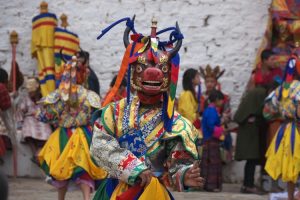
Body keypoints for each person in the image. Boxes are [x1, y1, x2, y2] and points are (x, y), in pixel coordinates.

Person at [90, 18, 204, 199]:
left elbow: (177, 162)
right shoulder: (114, 112)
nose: (152, 72)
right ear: (133, 71)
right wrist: (132, 168)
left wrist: (184, 174)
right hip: (115, 188)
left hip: (153, 192)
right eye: (142, 67)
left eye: (161, 68)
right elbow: (99, 147)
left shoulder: (176, 123)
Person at [36, 52, 107, 200]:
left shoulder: (60, 96)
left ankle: (61, 198)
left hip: (63, 136)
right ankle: (87, 198)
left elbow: (44, 116)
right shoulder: (90, 95)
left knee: (62, 168)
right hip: (85, 134)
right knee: (83, 169)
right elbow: (99, 118)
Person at [263, 56, 300, 200]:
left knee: (290, 165)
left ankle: (291, 196)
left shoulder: (281, 88)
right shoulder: (299, 88)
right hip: (297, 128)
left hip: (285, 129)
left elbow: (267, 110)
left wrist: (278, 115)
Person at [234, 86, 267, 194]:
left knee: (251, 161)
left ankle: (247, 185)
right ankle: (248, 185)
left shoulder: (249, 107)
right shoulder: (257, 99)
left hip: (250, 136)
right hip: (250, 136)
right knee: (251, 160)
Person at [16, 77, 52, 163]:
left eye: (32, 91)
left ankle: (38, 155)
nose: (30, 93)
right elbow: (21, 110)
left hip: (41, 119)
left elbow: (49, 111)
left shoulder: (44, 98)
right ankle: (35, 155)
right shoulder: (26, 99)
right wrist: (19, 122)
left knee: (46, 133)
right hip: (30, 119)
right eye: (29, 91)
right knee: (29, 132)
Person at [201, 89, 225, 192]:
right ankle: (210, 186)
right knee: (212, 164)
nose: (222, 103)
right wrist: (221, 131)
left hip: (209, 140)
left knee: (209, 164)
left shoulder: (210, 109)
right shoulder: (211, 111)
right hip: (211, 140)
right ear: (216, 100)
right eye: (221, 100)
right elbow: (211, 126)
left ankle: (208, 185)